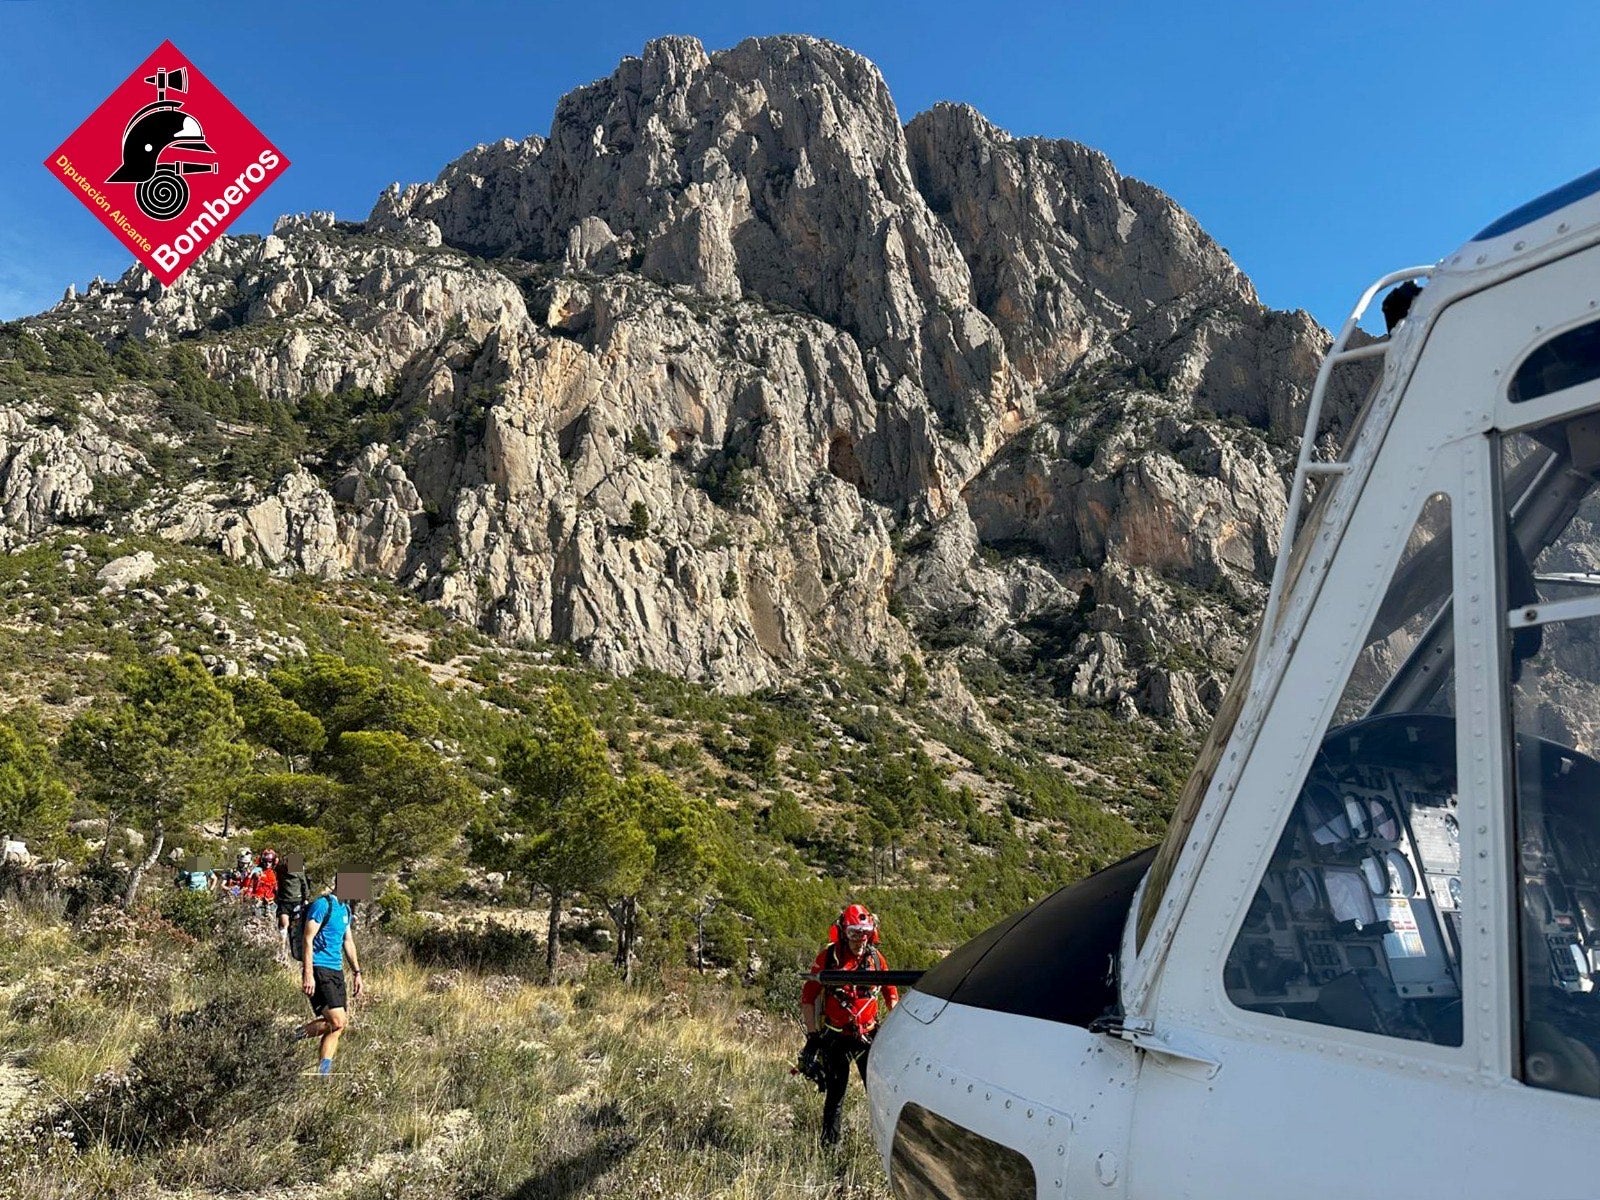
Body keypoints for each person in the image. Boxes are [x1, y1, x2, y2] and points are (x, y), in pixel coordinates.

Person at [799, 903, 898, 1147]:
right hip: (836, 1037)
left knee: (877, 1095)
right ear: (843, 931)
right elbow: (808, 997)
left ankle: (884, 1146)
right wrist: (813, 1036)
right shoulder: (829, 959)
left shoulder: (876, 958)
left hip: (868, 1036)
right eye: (854, 933)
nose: (860, 940)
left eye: (865, 933)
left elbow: (891, 992)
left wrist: (894, 1028)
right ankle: (829, 1149)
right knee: (835, 1095)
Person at [297, 873, 364, 1076]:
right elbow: (307, 939)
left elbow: (348, 941)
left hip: (336, 970)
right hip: (320, 968)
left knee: (337, 1027)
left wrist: (357, 973)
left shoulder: (345, 910)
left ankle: (324, 1073)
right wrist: (307, 973)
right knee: (337, 1021)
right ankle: (290, 1036)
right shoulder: (322, 905)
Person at [276, 852, 312, 964]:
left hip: (297, 902)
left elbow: (304, 885)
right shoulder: (280, 870)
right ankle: (281, 953)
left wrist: (306, 899)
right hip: (284, 902)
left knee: (296, 928)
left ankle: (297, 953)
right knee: (284, 926)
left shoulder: (299, 872)